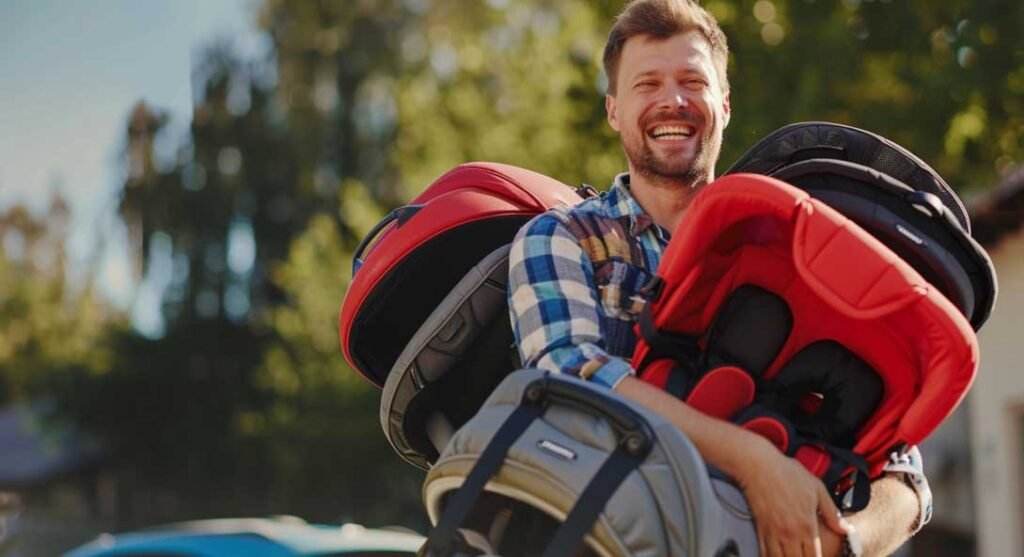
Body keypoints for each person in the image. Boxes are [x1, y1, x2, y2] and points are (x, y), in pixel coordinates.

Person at [507, 1, 931, 556]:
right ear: (614, 110)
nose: (672, 100)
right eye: (647, 84)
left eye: (692, 81)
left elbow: (905, 472)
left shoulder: (788, 249)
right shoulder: (563, 239)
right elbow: (568, 379)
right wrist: (754, 463)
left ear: (724, 105)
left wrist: (838, 542)